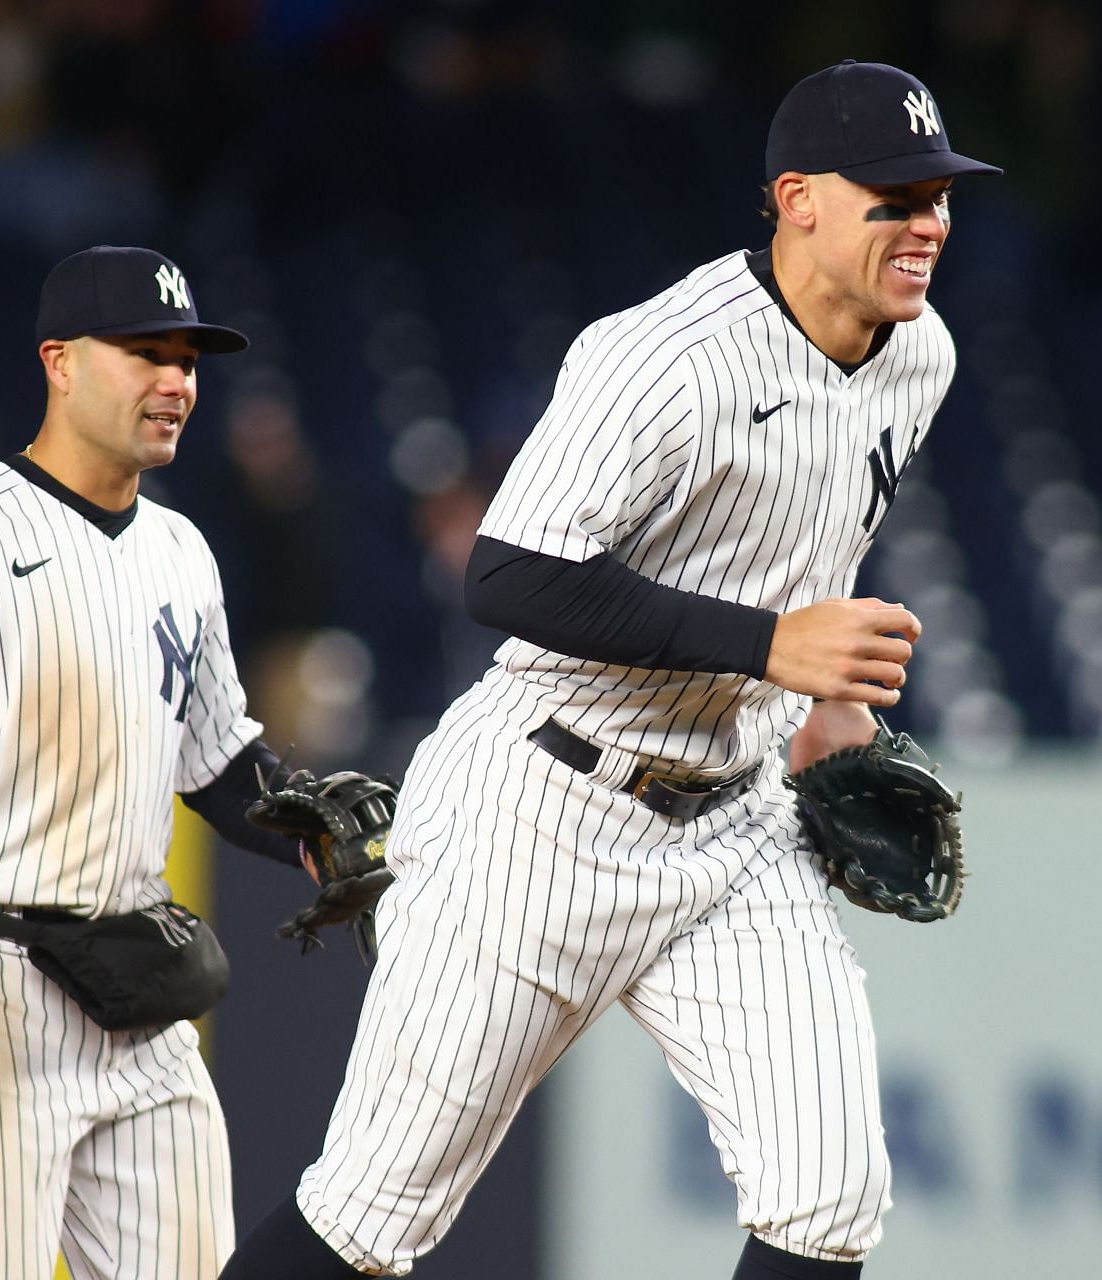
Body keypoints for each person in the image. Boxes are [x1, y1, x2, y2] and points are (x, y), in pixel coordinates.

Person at [227, 60, 999, 1279]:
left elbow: (812, 537)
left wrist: (824, 701)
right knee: (374, 1215)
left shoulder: (921, 354)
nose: (929, 222)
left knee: (829, 1195)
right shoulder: (664, 357)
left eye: (941, 194)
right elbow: (510, 578)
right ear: (798, 198)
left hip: (734, 821)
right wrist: (767, 646)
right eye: (894, 197)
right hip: (543, 807)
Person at [0, 245, 323, 1278]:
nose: (175, 382)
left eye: (188, 360)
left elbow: (218, 766)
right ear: (61, 361)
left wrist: (315, 836)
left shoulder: (182, 552)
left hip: (139, 983)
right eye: (145, 353)